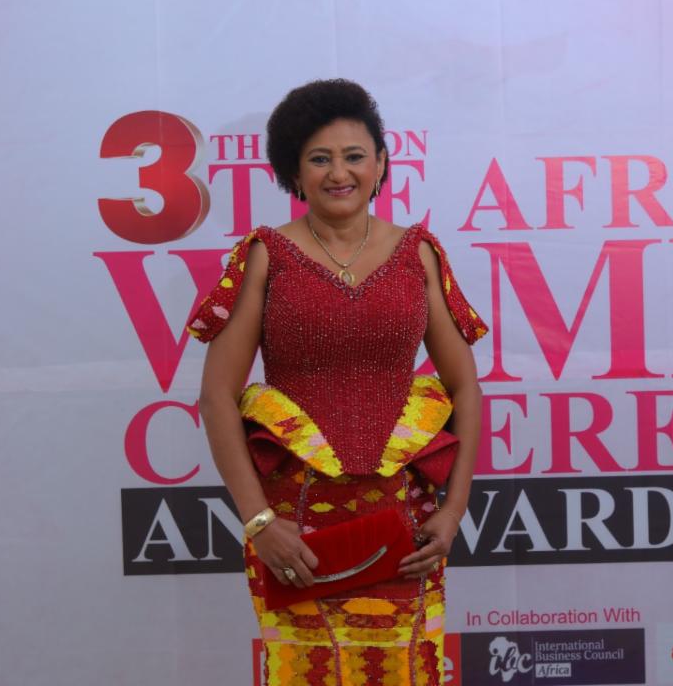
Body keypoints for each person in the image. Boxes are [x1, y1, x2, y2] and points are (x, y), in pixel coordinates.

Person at [187, 79, 486, 686]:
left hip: (404, 525)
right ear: (294, 172)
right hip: (294, 529)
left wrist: (453, 511)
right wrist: (260, 524)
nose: (339, 173)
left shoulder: (419, 253)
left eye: (354, 156)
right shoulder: (265, 255)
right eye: (319, 159)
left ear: (381, 163)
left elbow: (466, 390)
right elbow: (217, 396)